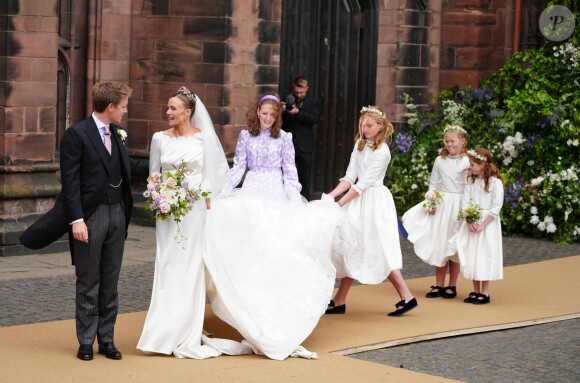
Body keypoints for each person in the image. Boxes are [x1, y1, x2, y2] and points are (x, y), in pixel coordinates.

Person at [204, 94, 361, 360]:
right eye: (264, 114)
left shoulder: (285, 138)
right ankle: (248, 302)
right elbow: (238, 167)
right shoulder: (245, 136)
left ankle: (275, 306)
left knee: (276, 246)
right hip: (251, 191)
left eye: (272, 115)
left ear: (278, 117)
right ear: (257, 112)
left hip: (275, 192)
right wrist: (223, 192)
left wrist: (293, 199)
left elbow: (290, 171)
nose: (267, 119)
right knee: (250, 245)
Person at [20, 81, 149, 361]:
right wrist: (76, 220)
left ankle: (107, 340)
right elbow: (70, 183)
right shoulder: (76, 135)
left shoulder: (117, 133)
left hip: (118, 214)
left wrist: (165, 164)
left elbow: (127, 167)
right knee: (89, 281)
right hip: (89, 217)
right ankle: (86, 341)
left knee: (111, 281)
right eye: (124, 106)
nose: (126, 111)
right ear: (111, 107)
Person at [137, 87, 249, 359]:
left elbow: (214, 175)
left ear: (188, 113)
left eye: (173, 108)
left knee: (190, 267)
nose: (168, 112)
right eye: (167, 108)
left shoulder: (202, 140)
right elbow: (154, 175)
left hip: (194, 211)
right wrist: (158, 196)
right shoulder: (158, 139)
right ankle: (163, 331)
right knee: (166, 265)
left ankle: (185, 329)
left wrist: (201, 195)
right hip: (168, 213)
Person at [324, 105, 417, 317]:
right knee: (352, 245)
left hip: (375, 202)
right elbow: (349, 178)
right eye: (363, 125)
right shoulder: (359, 144)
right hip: (357, 201)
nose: (365, 129)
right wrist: (330, 197)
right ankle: (339, 300)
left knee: (378, 247)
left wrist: (339, 205)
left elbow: (361, 185)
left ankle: (407, 296)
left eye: (369, 125)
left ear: (381, 126)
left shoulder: (382, 152)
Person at [402, 125, 470, 299]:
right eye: (446, 141)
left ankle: (452, 285)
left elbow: (471, 185)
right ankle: (439, 284)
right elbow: (434, 183)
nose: (449, 144)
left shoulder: (468, 161)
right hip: (442, 204)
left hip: (459, 205)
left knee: (453, 245)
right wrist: (431, 202)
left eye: (452, 141)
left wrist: (468, 208)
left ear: (462, 141)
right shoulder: (440, 160)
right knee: (440, 243)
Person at [448, 148, 505, 304]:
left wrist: (483, 225)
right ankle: (475, 290)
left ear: (482, 165)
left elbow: (496, 206)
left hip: (487, 224)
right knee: (472, 255)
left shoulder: (495, 183)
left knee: (484, 255)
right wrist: (470, 220)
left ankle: (485, 292)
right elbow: (466, 202)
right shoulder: (471, 180)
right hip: (473, 222)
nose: (470, 167)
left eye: (473, 164)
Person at [282, 76, 320, 200]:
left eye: (301, 92)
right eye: (296, 92)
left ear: (306, 88)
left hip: (305, 145)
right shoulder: (287, 100)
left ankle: (304, 202)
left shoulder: (313, 101)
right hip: (288, 145)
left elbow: (313, 119)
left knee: (304, 177)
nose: (299, 95)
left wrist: (298, 112)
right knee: (286, 175)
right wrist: (280, 110)